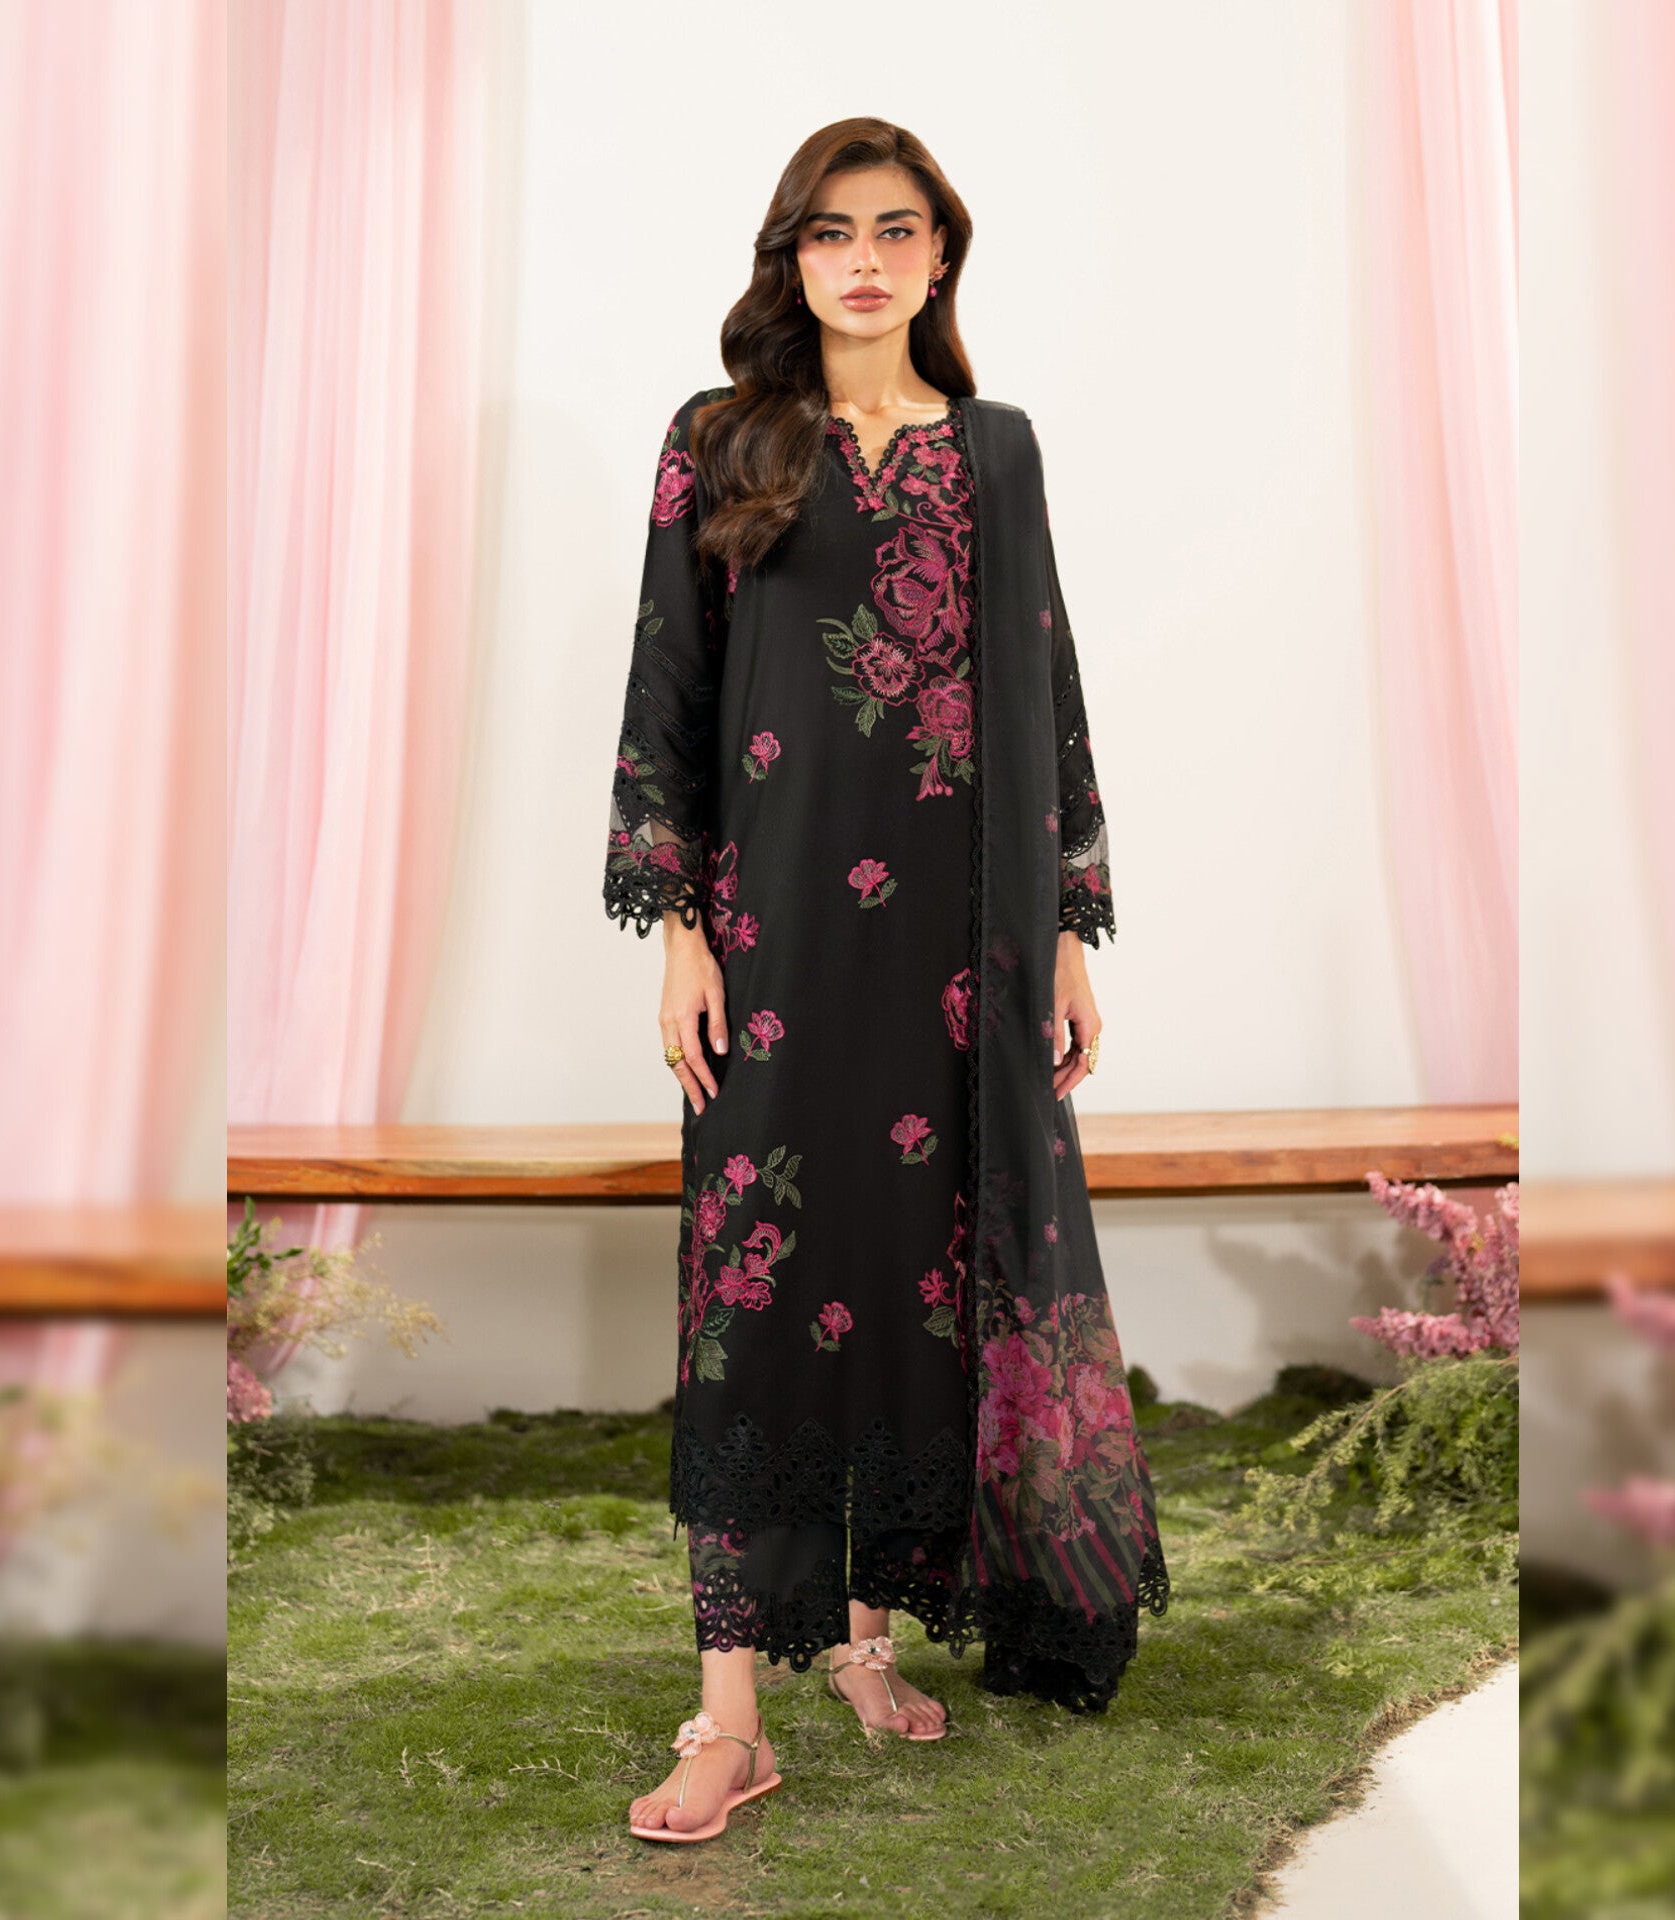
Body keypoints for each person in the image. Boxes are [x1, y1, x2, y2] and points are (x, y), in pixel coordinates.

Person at [604, 118, 1169, 1845]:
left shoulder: (996, 451)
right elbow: (666, 687)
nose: (864, 260)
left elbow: (1046, 685)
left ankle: (861, 1638)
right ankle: (727, 1716)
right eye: (833, 232)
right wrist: (680, 928)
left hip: (959, 944)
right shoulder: (720, 441)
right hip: (773, 939)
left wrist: (1066, 930)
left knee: (919, 1283)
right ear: (793, 257)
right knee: (758, 1292)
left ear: (940, 257)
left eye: (897, 230)